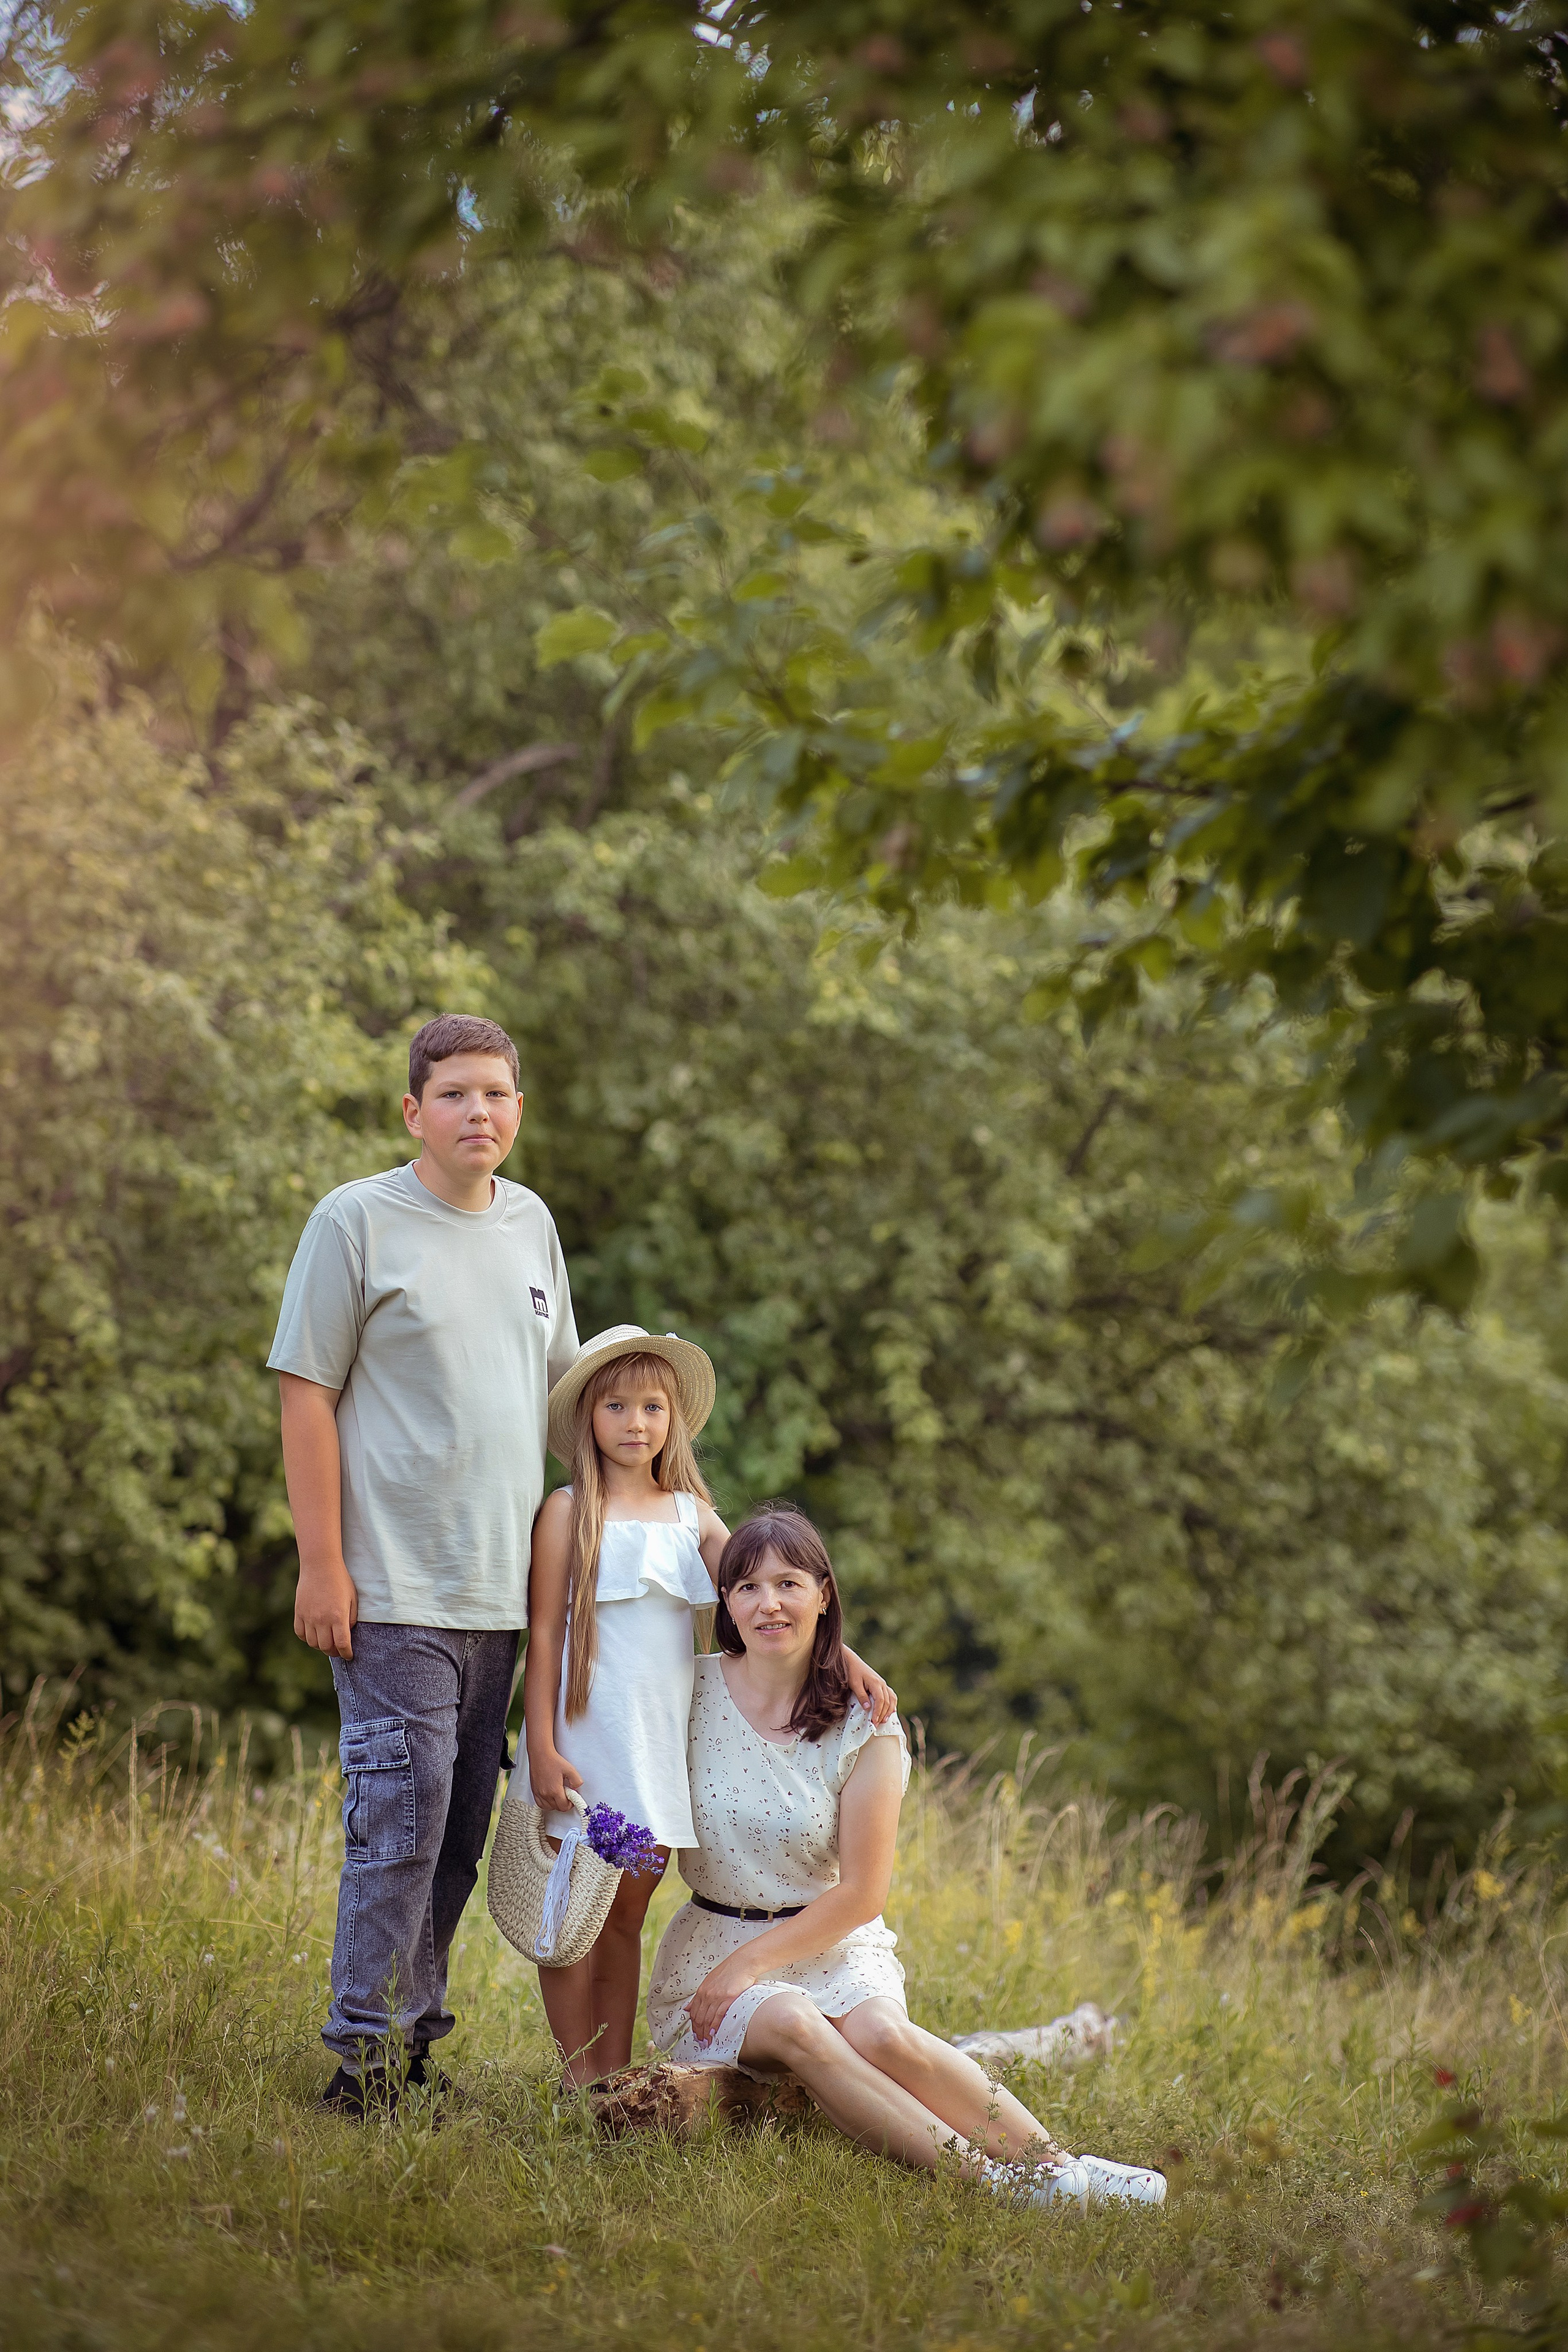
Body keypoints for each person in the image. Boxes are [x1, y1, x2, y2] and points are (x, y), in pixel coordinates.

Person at [646, 1506, 1166, 2210]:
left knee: (885, 2035)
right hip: (711, 1949)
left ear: (823, 1594)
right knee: (798, 2023)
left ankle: (1057, 2168)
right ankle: (999, 2187)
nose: (768, 1603)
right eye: (746, 1587)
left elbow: (862, 1894)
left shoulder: (866, 1723)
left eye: (788, 1584)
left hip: (830, 1937)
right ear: (726, 1603)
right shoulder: (689, 1691)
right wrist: (733, 1968)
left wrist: (750, 1966)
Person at [269, 1012, 578, 2117]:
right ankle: (361, 2069)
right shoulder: (357, 1221)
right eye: (453, 1094)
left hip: (503, 1596)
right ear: (415, 1111)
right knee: (399, 1829)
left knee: (455, 1834)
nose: (476, 1112)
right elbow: (307, 1391)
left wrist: (667, 1502)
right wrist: (322, 1563)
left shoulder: (532, 1226)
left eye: (495, 1093)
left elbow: (564, 1410)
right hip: (392, 1586)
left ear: (518, 1111)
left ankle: (411, 2053)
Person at [524, 1330, 895, 2088]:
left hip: (655, 1756)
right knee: (570, 1921)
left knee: (623, 1917)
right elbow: (542, 1631)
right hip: (585, 1747)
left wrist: (844, 1655)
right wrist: (538, 1742)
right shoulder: (567, 1512)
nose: (636, 1423)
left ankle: (614, 2076)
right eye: (617, 1406)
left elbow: (768, 1584)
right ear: (588, 1418)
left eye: (653, 1407)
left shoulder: (690, 1517)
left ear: (674, 1420)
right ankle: (574, 2080)